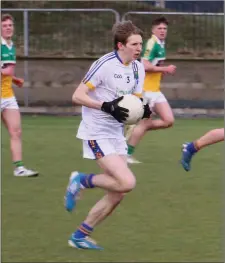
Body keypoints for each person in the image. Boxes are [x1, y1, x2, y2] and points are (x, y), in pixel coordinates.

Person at [64, 20, 151, 250]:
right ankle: (81, 180)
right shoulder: (103, 65)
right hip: (96, 131)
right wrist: (106, 106)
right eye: (134, 44)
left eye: (140, 44)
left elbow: (136, 100)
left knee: (118, 193)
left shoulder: (137, 67)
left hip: (116, 133)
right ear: (120, 45)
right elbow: (77, 95)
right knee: (127, 182)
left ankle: (80, 236)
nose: (139, 48)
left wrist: (143, 109)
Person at [126, 16, 176, 164]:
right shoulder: (151, 43)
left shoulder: (161, 44)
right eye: (159, 28)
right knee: (144, 124)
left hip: (155, 91)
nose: (162, 31)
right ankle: (126, 154)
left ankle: (138, 126)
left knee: (169, 120)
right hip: (146, 91)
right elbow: (145, 65)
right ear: (153, 30)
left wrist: (161, 72)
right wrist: (165, 69)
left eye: (164, 28)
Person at [1, 14, 38, 177]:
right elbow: (5, 70)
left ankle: (19, 168)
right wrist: (6, 72)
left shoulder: (11, 46)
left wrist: (14, 79)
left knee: (16, 132)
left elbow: (6, 71)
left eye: (10, 25)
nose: (8, 27)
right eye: (4, 25)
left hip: (7, 96)